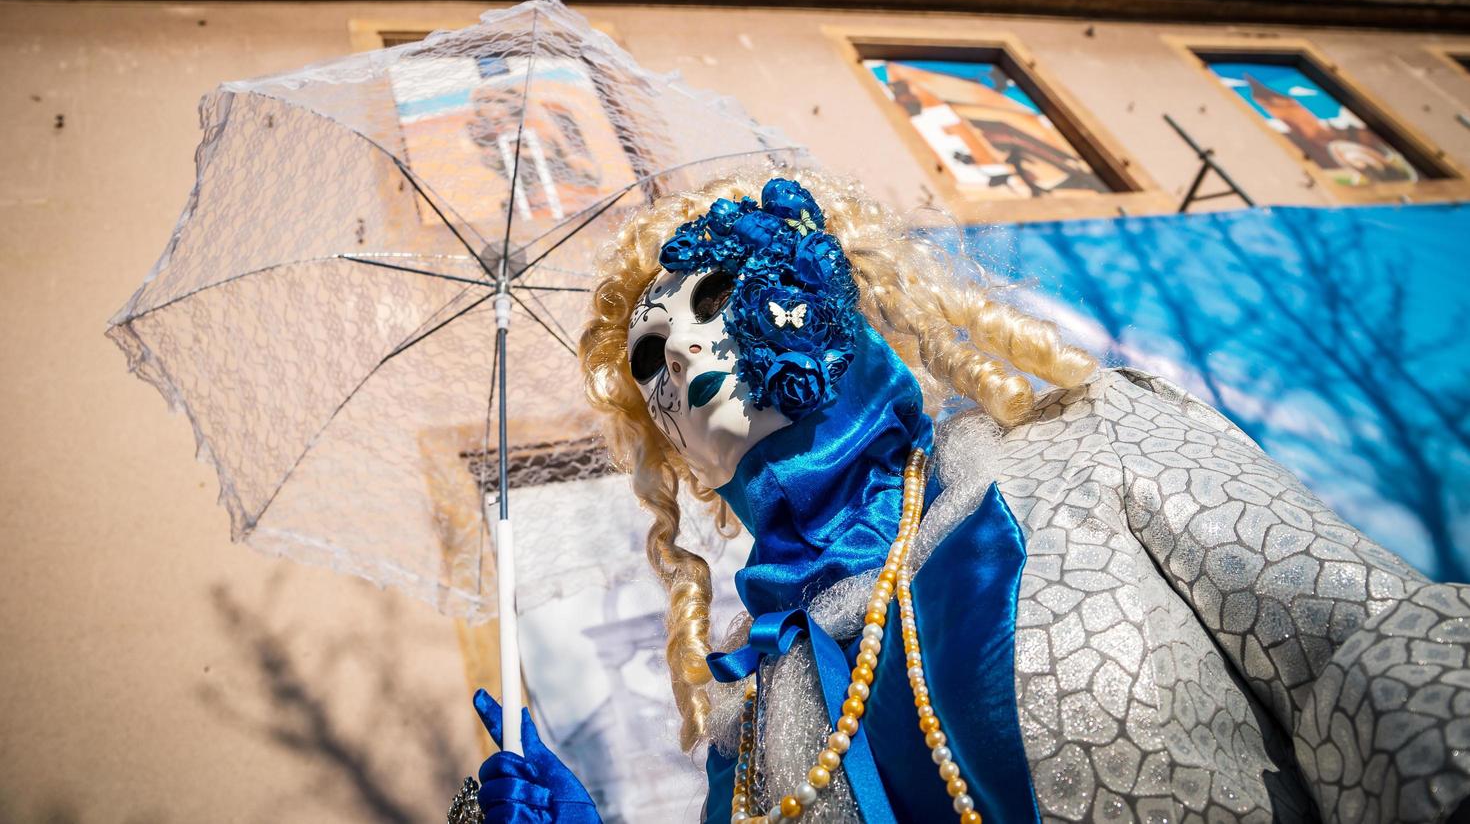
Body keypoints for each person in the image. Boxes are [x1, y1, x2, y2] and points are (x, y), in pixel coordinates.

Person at [463, 172, 1470, 824]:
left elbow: (1365, 647)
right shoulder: (758, 694)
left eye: (715, 297)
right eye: (649, 358)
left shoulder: (1089, 445)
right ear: (670, 442)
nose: (680, 347)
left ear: (832, 288)